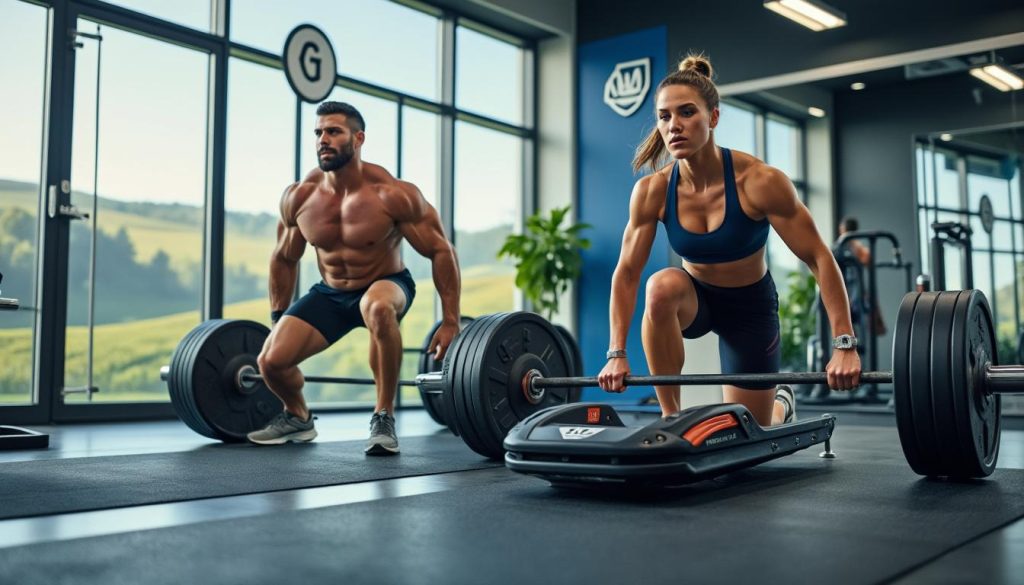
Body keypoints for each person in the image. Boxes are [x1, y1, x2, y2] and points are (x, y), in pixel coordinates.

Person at [597, 55, 861, 427]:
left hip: (749, 309)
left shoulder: (759, 181)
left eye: (687, 112)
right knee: (660, 286)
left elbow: (819, 257)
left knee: (751, 428)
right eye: (664, 116)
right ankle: (671, 417)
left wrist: (844, 343)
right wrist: (616, 352)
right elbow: (626, 275)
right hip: (697, 301)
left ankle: (781, 402)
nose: (674, 126)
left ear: (714, 118)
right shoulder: (652, 191)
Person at [247, 101, 462, 455]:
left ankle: (383, 416)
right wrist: (277, 318)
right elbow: (284, 258)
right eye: (318, 132)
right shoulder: (300, 196)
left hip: (386, 283)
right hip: (330, 293)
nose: (323, 140)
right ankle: (298, 417)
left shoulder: (393, 194)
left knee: (376, 307)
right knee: (270, 362)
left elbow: (441, 251)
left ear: (358, 138)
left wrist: (451, 319)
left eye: (333, 132)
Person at [836, 216, 886, 337]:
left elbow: (867, 261)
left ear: (842, 229)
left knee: (853, 331)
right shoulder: (842, 247)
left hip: (855, 295)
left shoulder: (853, 247)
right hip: (847, 294)